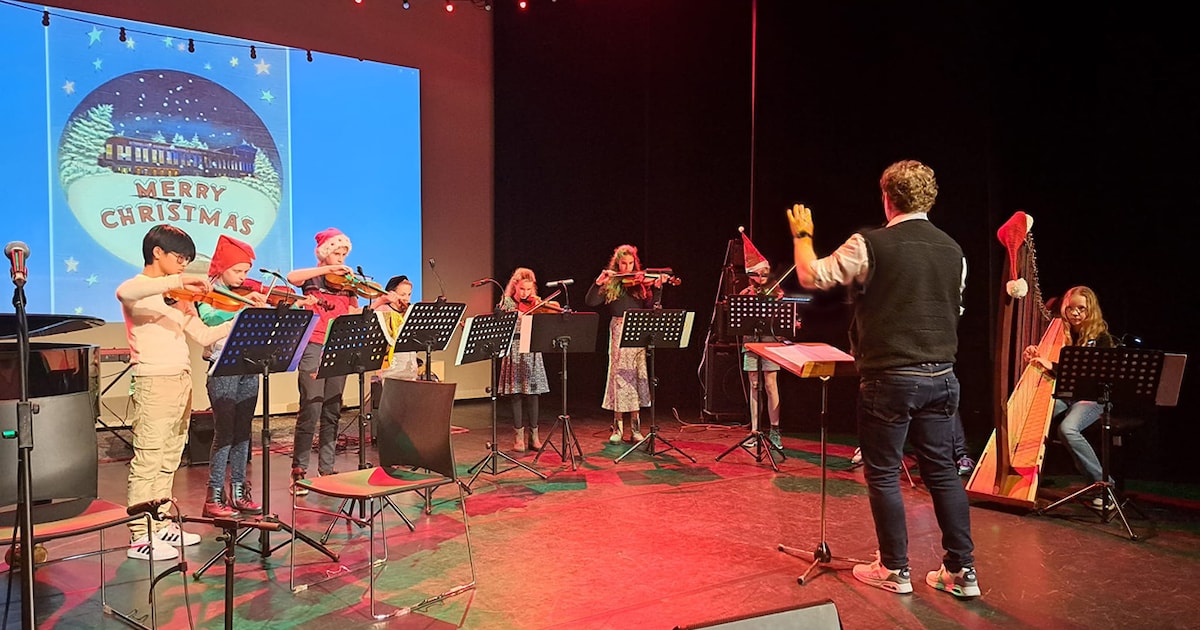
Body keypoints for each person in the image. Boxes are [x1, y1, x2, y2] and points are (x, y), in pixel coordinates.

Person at [790, 160, 979, 598]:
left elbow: (811, 276)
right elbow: (955, 310)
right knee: (945, 476)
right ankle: (962, 573)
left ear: (887, 197)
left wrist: (802, 236)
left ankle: (895, 570)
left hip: (890, 378)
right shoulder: (954, 250)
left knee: (883, 473)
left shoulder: (870, 243)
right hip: (942, 376)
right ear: (929, 198)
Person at [116, 225, 233, 560]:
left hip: (181, 380)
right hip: (153, 380)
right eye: (180, 257)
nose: (184, 264)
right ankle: (140, 534)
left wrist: (241, 317)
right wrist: (178, 282)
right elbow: (125, 292)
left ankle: (161, 519)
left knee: (170, 455)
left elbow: (204, 335)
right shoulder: (139, 289)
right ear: (157, 253)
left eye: (187, 259)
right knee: (149, 456)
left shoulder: (178, 299)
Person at [197, 235, 271, 518]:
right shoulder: (208, 292)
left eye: (246, 272)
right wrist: (242, 304)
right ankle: (214, 495)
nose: (243, 277)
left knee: (243, 434)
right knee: (224, 433)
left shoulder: (242, 293)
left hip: (248, 365)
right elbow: (211, 319)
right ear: (223, 268)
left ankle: (239, 490)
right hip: (221, 367)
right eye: (238, 271)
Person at [1023, 285, 1117, 507]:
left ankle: (1105, 485)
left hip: (1093, 398)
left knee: (1067, 429)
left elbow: (1086, 376)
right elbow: (1053, 365)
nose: (1076, 313)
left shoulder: (1101, 338)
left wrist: (1052, 365)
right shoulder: (1060, 334)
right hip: (1067, 396)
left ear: (1091, 310)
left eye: (1082, 309)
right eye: (1071, 308)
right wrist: (1036, 355)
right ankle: (1025, 478)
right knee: (1033, 416)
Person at [286, 228, 361, 494]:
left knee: (332, 409)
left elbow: (353, 311)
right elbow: (291, 277)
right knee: (311, 408)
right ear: (325, 253)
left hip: (337, 347)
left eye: (344, 254)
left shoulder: (346, 284)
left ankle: (327, 468)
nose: (341, 259)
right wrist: (321, 271)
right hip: (314, 346)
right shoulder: (311, 280)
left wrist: (380, 301)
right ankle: (299, 471)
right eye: (336, 253)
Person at [585, 245, 663, 444]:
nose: (627, 267)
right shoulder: (612, 283)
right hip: (618, 331)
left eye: (630, 263)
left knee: (635, 376)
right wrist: (598, 283)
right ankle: (618, 427)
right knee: (619, 377)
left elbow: (652, 307)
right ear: (617, 264)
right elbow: (591, 302)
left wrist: (657, 289)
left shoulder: (639, 284)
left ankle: (635, 427)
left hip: (637, 331)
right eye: (623, 263)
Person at [737, 229, 784, 449]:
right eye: (758, 275)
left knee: (771, 385)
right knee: (754, 384)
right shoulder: (746, 294)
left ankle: (774, 430)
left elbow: (785, 320)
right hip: (752, 344)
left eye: (765, 274)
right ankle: (755, 430)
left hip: (771, 344)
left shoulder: (776, 292)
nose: (762, 278)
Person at [499, 268, 552, 452]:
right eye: (522, 289)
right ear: (515, 287)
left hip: (532, 349)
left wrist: (541, 307)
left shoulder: (535, 303)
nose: (526, 293)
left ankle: (534, 435)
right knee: (516, 393)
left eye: (529, 289)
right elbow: (500, 321)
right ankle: (518, 437)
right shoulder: (507, 303)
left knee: (533, 393)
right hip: (514, 349)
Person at [368, 274, 419, 442]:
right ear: (392, 293)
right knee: (393, 411)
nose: (406, 298)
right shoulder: (383, 311)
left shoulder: (410, 313)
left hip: (409, 365)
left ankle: (407, 447)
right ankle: (391, 446)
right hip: (391, 368)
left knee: (409, 411)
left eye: (409, 294)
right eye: (402, 294)